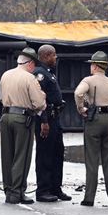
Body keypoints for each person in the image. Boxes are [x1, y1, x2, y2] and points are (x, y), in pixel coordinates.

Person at [74, 51, 108, 207]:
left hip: (94, 120)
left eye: (91, 64)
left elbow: (78, 93)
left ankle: (89, 198)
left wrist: (81, 109)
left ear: (95, 66)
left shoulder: (88, 80)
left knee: (92, 161)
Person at [0, 47, 46, 204]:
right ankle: (16, 192)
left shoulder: (5, 74)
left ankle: (8, 190)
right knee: (22, 156)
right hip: (22, 119)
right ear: (30, 63)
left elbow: (1, 97)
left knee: (7, 156)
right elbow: (39, 103)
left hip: (5, 117)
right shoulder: (29, 78)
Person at [33, 45, 71, 202]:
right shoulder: (39, 74)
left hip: (55, 118)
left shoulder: (48, 73)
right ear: (47, 56)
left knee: (57, 154)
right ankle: (43, 190)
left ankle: (56, 187)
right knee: (45, 155)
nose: (56, 58)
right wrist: (44, 121)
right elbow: (39, 100)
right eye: (54, 55)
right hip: (46, 119)